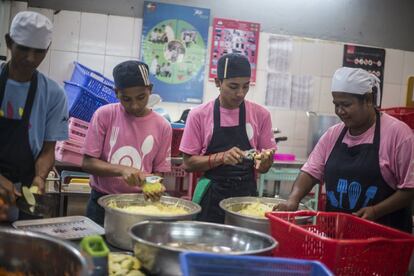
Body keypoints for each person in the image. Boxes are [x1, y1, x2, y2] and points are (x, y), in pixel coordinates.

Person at [276, 67, 414, 233]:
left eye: (346, 105)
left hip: (383, 239)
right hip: (337, 236)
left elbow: (409, 189)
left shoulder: (398, 134)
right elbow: (310, 171)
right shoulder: (333, 134)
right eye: (336, 104)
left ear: (368, 100)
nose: (340, 111)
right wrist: (293, 199)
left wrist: (376, 211)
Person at [180, 53, 277, 223]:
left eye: (246, 86)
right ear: (218, 82)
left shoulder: (261, 115)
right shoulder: (199, 115)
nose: (240, 93)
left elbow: (263, 166)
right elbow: (188, 164)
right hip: (211, 195)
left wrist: (265, 164)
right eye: (233, 86)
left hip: (246, 198)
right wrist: (221, 158)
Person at [82, 60, 172, 225]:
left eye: (141, 97)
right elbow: (87, 163)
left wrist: (153, 185)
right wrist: (122, 170)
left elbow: (159, 172)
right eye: (126, 99)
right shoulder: (104, 115)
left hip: (141, 204)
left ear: (150, 90)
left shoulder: (162, 126)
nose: (135, 105)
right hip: (101, 203)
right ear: (116, 93)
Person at [0, 11, 68, 220]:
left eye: (38, 51)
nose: (30, 58)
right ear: (9, 42)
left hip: (23, 190)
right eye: (23, 49)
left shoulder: (53, 94)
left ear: (47, 50)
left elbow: (48, 148)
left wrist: (39, 177)